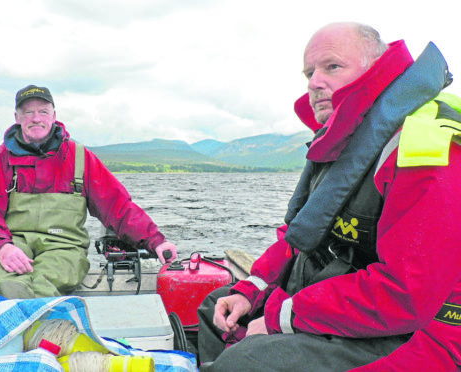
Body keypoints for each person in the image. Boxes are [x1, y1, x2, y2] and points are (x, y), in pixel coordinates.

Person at [197, 22, 461, 371]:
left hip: (420, 333)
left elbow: (405, 294)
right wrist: (250, 290)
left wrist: (279, 318)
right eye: (309, 72)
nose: (313, 82)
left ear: (377, 66)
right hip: (347, 304)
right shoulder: (343, 142)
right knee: (214, 308)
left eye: (331, 67)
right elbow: (298, 238)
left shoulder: (425, 147)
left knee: (244, 363)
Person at [0, 84, 178, 299]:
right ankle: (37, 328)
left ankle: (29, 327)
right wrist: (2, 248)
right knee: (0, 278)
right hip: (12, 243)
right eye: (28, 112)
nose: (36, 118)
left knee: (40, 285)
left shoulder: (81, 158)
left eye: (43, 111)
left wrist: (156, 240)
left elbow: (118, 207)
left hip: (63, 249)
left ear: (53, 115)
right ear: (17, 117)